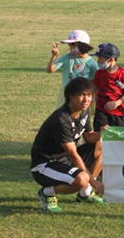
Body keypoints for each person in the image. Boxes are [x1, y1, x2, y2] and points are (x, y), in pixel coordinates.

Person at [30, 77, 104, 213]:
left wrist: (101, 133)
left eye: (89, 95)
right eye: (82, 95)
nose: (87, 99)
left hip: (65, 159)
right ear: (71, 96)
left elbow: (89, 138)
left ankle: (85, 194)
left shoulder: (84, 111)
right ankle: (46, 193)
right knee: (82, 179)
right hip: (45, 164)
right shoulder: (61, 119)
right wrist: (93, 182)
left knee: (103, 146)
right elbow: (72, 153)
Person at [47, 29, 98, 107]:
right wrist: (54, 56)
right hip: (67, 93)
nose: (71, 49)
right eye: (70, 47)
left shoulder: (91, 63)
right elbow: (50, 70)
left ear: (84, 46)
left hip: (83, 95)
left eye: (74, 46)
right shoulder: (67, 58)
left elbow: (95, 81)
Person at [92, 43, 124, 131]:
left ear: (111, 59)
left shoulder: (122, 73)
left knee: (118, 138)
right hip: (101, 110)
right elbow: (94, 88)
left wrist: (117, 103)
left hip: (118, 112)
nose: (98, 61)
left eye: (101, 59)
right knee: (100, 135)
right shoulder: (99, 73)